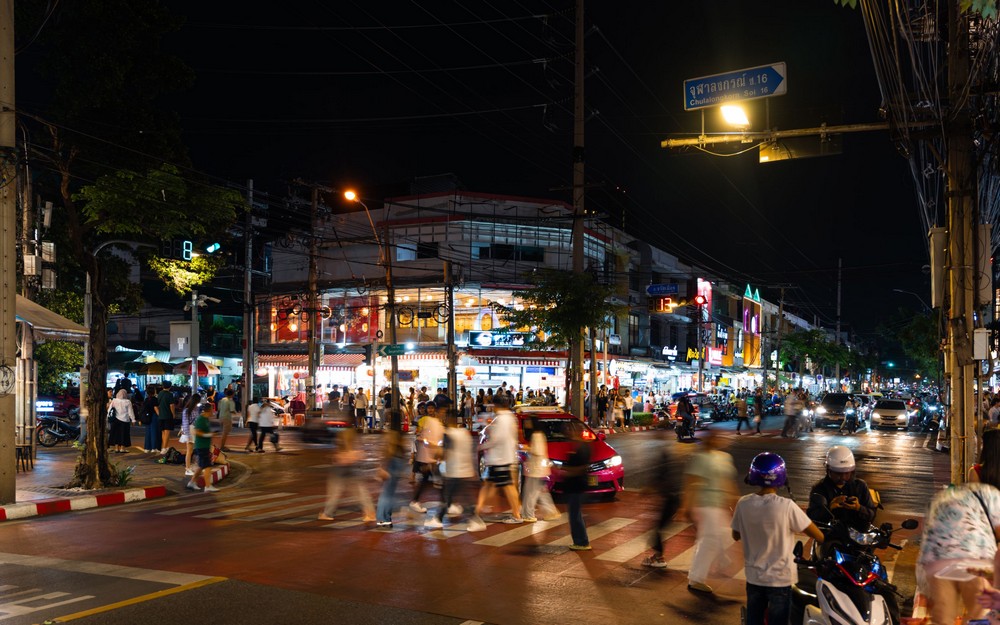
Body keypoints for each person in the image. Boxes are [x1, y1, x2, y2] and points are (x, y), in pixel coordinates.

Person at [732, 453, 825, 625]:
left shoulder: (743, 504)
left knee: (754, 619)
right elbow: (818, 535)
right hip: (780, 580)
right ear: (782, 476)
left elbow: (735, 535)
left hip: (754, 577)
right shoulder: (787, 506)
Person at [918, 479, 1000, 625]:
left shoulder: (942, 495)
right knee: (980, 611)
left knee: (942, 615)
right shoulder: (991, 493)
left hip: (936, 561)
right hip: (974, 558)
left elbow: (925, 530)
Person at [683, 427, 739, 593]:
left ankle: (721, 562)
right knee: (710, 539)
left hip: (719, 503)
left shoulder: (724, 457)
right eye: (713, 437)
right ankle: (696, 578)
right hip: (704, 503)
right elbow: (692, 482)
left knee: (720, 535)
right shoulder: (700, 458)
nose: (717, 439)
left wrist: (734, 500)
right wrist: (686, 506)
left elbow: (728, 481)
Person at [472, 393, 523, 529]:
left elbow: (496, 439)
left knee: (505, 486)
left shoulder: (501, 419)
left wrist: (482, 446)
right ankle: (478, 511)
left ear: (496, 405)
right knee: (491, 485)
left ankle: (516, 515)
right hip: (503, 458)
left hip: (499, 459)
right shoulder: (510, 418)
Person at [806, 445, 877, 531]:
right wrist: (830, 508)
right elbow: (812, 518)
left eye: (847, 473)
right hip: (831, 536)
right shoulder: (819, 488)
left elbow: (872, 515)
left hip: (857, 536)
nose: (843, 477)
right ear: (829, 471)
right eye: (838, 474)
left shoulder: (860, 486)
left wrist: (858, 508)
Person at [425, 409, 475, 529]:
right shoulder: (464, 433)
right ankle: (475, 520)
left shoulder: (448, 434)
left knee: (448, 497)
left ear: (448, 419)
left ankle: (438, 519)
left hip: (454, 471)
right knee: (462, 497)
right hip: (465, 470)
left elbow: (443, 453)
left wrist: (434, 458)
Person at [642, 427, 682, 568]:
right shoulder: (667, 452)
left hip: (671, 497)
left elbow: (660, 474)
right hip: (671, 497)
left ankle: (659, 558)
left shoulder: (663, 454)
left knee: (657, 529)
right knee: (658, 528)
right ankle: (657, 555)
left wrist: (649, 488)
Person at [318, 427, 374, 522]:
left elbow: (340, 459)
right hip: (352, 469)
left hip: (339, 470)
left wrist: (337, 458)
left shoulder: (342, 445)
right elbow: (361, 455)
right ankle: (370, 513)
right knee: (360, 492)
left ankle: (327, 513)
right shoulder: (354, 446)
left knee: (334, 493)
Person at [520, 417, 560, 524]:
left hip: (536, 469)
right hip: (539, 469)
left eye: (528, 422)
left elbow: (537, 451)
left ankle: (529, 515)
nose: (527, 424)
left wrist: (526, 448)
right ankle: (551, 512)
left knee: (531, 493)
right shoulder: (540, 434)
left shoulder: (536, 435)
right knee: (541, 492)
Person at [375, 410, 409, 528]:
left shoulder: (392, 432)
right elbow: (390, 451)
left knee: (387, 492)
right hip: (394, 462)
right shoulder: (396, 433)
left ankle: (384, 517)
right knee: (388, 493)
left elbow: (388, 451)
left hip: (393, 462)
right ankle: (383, 517)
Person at [562, 421, 592, 550]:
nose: (567, 434)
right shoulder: (577, 446)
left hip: (577, 484)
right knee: (575, 514)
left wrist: (566, 471)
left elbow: (581, 468)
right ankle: (580, 540)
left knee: (575, 515)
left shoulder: (582, 447)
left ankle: (581, 542)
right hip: (575, 485)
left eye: (569, 431)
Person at [409, 404, 444, 514]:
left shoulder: (438, 422)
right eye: (429, 408)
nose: (430, 410)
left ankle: (415, 501)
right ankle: (447, 503)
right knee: (435, 480)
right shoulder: (425, 420)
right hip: (427, 456)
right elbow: (419, 433)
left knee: (430, 480)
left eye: (432, 408)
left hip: (432, 456)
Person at [187, 398, 219, 493]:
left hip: (204, 446)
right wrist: (209, 435)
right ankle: (208, 486)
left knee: (201, 466)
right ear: (208, 410)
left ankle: (192, 482)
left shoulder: (205, 419)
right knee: (207, 466)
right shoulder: (201, 419)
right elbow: (197, 432)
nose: (213, 412)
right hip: (201, 446)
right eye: (212, 410)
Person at [108, 388, 136, 453]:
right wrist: (133, 420)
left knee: (116, 434)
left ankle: (116, 448)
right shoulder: (128, 402)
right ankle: (122, 448)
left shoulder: (114, 401)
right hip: (125, 420)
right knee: (124, 434)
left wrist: (108, 417)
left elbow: (110, 409)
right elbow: (130, 412)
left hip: (115, 420)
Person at [179, 392, 201, 476]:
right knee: (189, 451)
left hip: (193, 430)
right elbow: (185, 423)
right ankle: (187, 468)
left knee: (191, 451)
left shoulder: (194, 409)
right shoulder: (187, 410)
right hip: (190, 431)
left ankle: (190, 467)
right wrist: (187, 435)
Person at [156, 380, 176, 454]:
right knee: (167, 432)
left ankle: (164, 447)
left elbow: (156, 405)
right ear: (170, 387)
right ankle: (164, 448)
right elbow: (172, 405)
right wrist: (173, 414)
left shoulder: (160, 393)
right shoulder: (169, 394)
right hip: (168, 415)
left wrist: (159, 413)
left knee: (163, 432)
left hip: (161, 416)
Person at [142, 385, 160, 453]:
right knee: (154, 432)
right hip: (154, 416)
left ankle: (147, 448)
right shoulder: (154, 399)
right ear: (154, 391)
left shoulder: (146, 399)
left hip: (147, 417)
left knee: (148, 432)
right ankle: (154, 447)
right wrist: (159, 415)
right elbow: (156, 408)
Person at [217, 387, 236, 452]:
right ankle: (222, 446)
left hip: (221, 417)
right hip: (227, 418)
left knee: (223, 433)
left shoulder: (222, 400)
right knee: (225, 433)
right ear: (232, 394)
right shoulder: (230, 401)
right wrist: (235, 412)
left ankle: (222, 445)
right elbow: (232, 410)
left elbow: (219, 408)